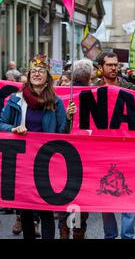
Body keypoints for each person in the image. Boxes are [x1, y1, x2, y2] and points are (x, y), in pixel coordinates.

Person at [0, 55, 76, 240]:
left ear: (47, 76)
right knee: (25, 208)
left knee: (45, 209)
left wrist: (68, 118)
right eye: (33, 71)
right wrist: (14, 129)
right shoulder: (15, 99)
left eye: (41, 71)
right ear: (28, 75)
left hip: (45, 160)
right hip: (22, 161)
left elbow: (61, 134)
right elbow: (1, 123)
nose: (37, 74)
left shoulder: (55, 102)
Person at [95, 52, 135, 239]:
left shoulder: (130, 88)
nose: (114, 68)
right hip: (102, 151)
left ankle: (127, 236)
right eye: (109, 65)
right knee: (106, 198)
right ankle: (110, 235)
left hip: (128, 149)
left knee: (129, 195)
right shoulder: (92, 90)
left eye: (116, 64)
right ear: (101, 67)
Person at [57, 59, 92, 239]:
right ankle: (76, 230)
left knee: (67, 192)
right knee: (79, 195)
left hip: (65, 151)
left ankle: (66, 230)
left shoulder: (61, 94)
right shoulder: (66, 94)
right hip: (84, 150)